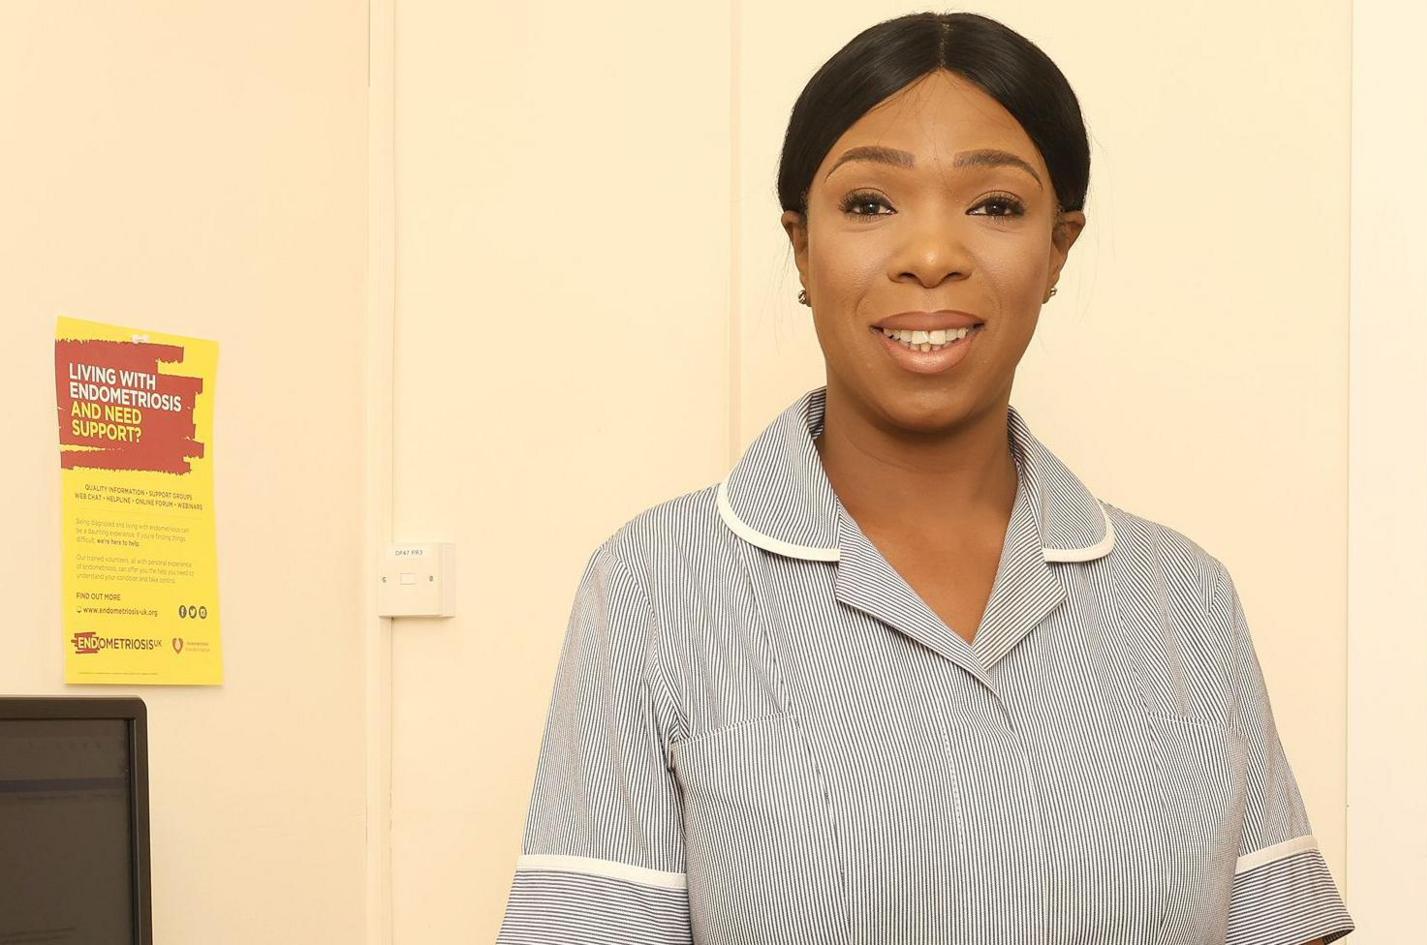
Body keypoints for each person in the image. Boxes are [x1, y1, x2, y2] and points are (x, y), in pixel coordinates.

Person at [493, 11, 1354, 945]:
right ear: (801, 248)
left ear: (1057, 250)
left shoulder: (1185, 598)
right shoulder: (654, 586)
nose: (932, 253)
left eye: (994, 206)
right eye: (869, 204)